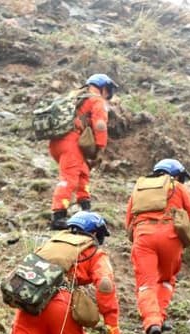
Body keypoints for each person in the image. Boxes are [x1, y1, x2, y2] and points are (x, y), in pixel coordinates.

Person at [125, 158, 190, 334]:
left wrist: (139, 238)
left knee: (146, 284)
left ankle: (151, 322)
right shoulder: (177, 187)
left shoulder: (139, 188)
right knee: (165, 280)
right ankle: (160, 319)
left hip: (143, 236)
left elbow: (128, 222)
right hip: (170, 238)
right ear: (177, 175)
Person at [49, 73, 117, 230]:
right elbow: (100, 125)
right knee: (69, 178)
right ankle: (58, 215)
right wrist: (100, 148)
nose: (109, 94)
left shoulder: (75, 96)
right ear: (103, 87)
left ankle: (85, 209)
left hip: (58, 143)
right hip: (71, 143)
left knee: (83, 173)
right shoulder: (96, 100)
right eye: (109, 90)